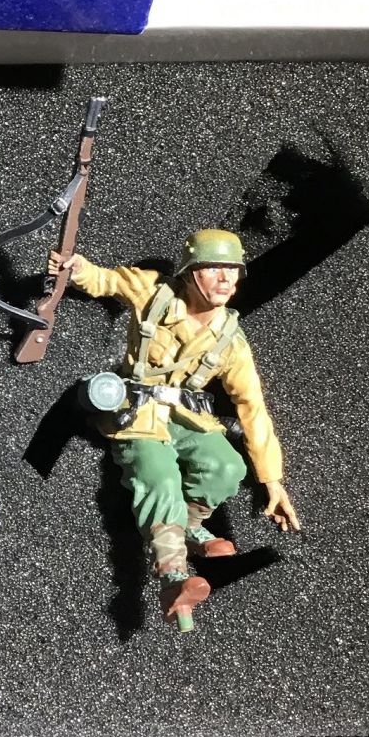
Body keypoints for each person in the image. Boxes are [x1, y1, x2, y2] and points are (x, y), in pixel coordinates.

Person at [50, 228, 300, 625]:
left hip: (185, 415)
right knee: (159, 477)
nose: (226, 279)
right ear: (190, 272)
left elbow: (253, 407)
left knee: (226, 467)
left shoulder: (230, 340)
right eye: (213, 268)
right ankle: (173, 577)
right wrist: (76, 268)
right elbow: (105, 281)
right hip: (137, 412)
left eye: (233, 270)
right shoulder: (154, 293)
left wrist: (272, 479)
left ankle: (188, 527)